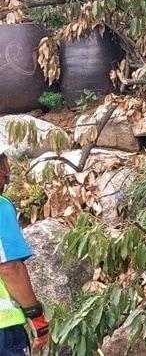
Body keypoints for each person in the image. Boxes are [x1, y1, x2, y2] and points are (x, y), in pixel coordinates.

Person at [0, 143, 48, 356]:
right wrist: (36, 315)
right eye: (5, 163)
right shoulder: (1, 208)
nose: (8, 171)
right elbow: (10, 268)